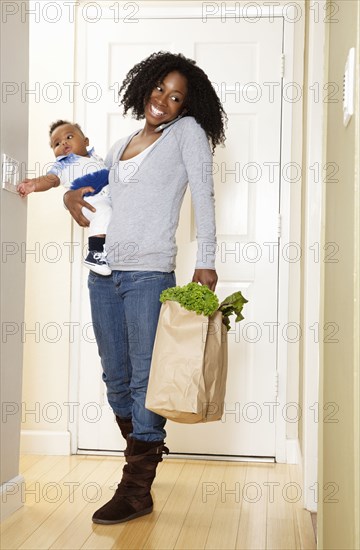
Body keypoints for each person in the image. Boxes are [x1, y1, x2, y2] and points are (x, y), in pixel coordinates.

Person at [63, 51, 227, 525]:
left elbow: (205, 192)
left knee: (143, 382)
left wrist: (207, 261)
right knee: (116, 382)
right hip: (103, 273)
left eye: (176, 97)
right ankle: (146, 462)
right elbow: (103, 184)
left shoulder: (187, 135)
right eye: (159, 89)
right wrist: (74, 191)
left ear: (185, 107)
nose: (164, 101)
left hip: (149, 274)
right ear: (145, 87)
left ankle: (135, 489)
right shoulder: (122, 143)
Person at [17, 120, 112, 275]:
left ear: (85, 141)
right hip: (87, 201)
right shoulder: (64, 163)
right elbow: (51, 179)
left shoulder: (96, 158)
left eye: (69, 137)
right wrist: (33, 185)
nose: (63, 143)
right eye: (56, 144)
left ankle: (106, 251)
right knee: (103, 212)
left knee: (108, 215)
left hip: (105, 198)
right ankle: (95, 253)